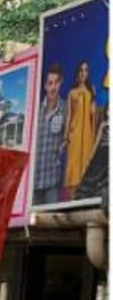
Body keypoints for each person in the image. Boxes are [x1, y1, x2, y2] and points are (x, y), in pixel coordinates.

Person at [34, 63, 68, 205]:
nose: (53, 87)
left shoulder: (66, 109)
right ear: (45, 86)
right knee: (31, 225)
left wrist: (64, 145)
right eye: (50, 83)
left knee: (50, 222)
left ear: (60, 84)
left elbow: (69, 135)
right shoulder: (35, 109)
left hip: (52, 178)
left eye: (56, 83)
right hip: (34, 180)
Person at [65, 59, 98, 197]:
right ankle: (73, 196)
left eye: (86, 70)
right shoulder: (72, 93)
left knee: (86, 163)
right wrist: (66, 136)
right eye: (81, 70)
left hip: (88, 135)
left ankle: (85, 194)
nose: (83, 73)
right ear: (77, 73)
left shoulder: (91, 93)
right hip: (75, 134)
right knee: (74, 164)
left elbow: (94, 116)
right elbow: (69, 115)